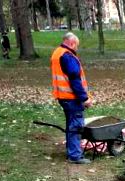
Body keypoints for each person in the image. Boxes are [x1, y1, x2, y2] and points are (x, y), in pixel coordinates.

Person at [51, 32, 93, 165]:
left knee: (71, 124)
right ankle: (75, 156)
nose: (77, 49)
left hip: (62, 96)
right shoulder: (68, 56)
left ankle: (71, 151)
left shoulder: (57, 53)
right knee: (76, 125)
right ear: (72, 43)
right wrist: (84, 98)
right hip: (71, 97)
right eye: (76, 46)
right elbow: (75, 80)